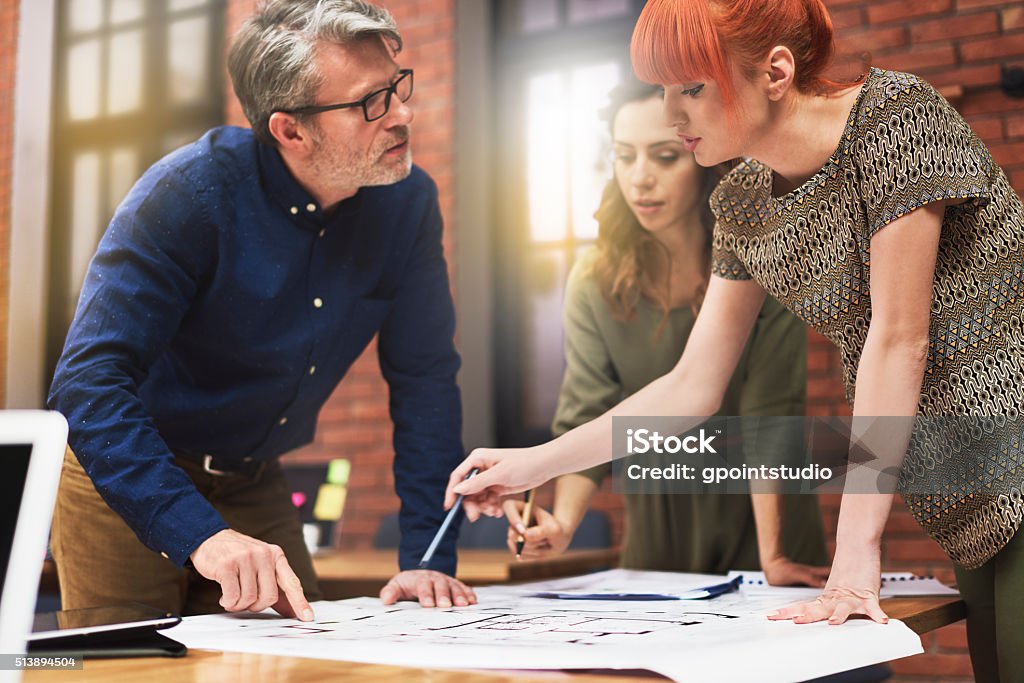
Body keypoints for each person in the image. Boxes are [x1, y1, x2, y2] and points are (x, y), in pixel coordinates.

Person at [447, 0, 1024, 679]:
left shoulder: (894, 119)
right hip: (967, 489)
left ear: (776, 72)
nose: (671, 113)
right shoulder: (743, 203)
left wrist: (854, 553)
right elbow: (690, 385)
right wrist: (533, 463)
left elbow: (900, 341)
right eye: (664, 89)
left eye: (691, 87)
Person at [48, 0, 476, 620]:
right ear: (290, 130)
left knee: (303, 659)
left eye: (397, 87)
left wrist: (426, 557)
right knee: (127, 664)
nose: (403, 114)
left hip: (254, 479)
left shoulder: (407, 204)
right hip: (128, 474)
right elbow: (86, 383)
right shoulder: (186, 196)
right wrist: (200, 535)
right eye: (370, 102)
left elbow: (425, 380)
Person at [503, 77, 828, 584]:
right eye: (624, 155)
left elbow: (771, 409)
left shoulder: (760, 250)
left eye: (664, 157)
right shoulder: (594, 278)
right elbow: (585, 408)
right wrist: (562, 523)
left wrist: (775, 557)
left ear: (703, 157)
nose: (640, 179)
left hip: (765, 519)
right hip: (658, 524)